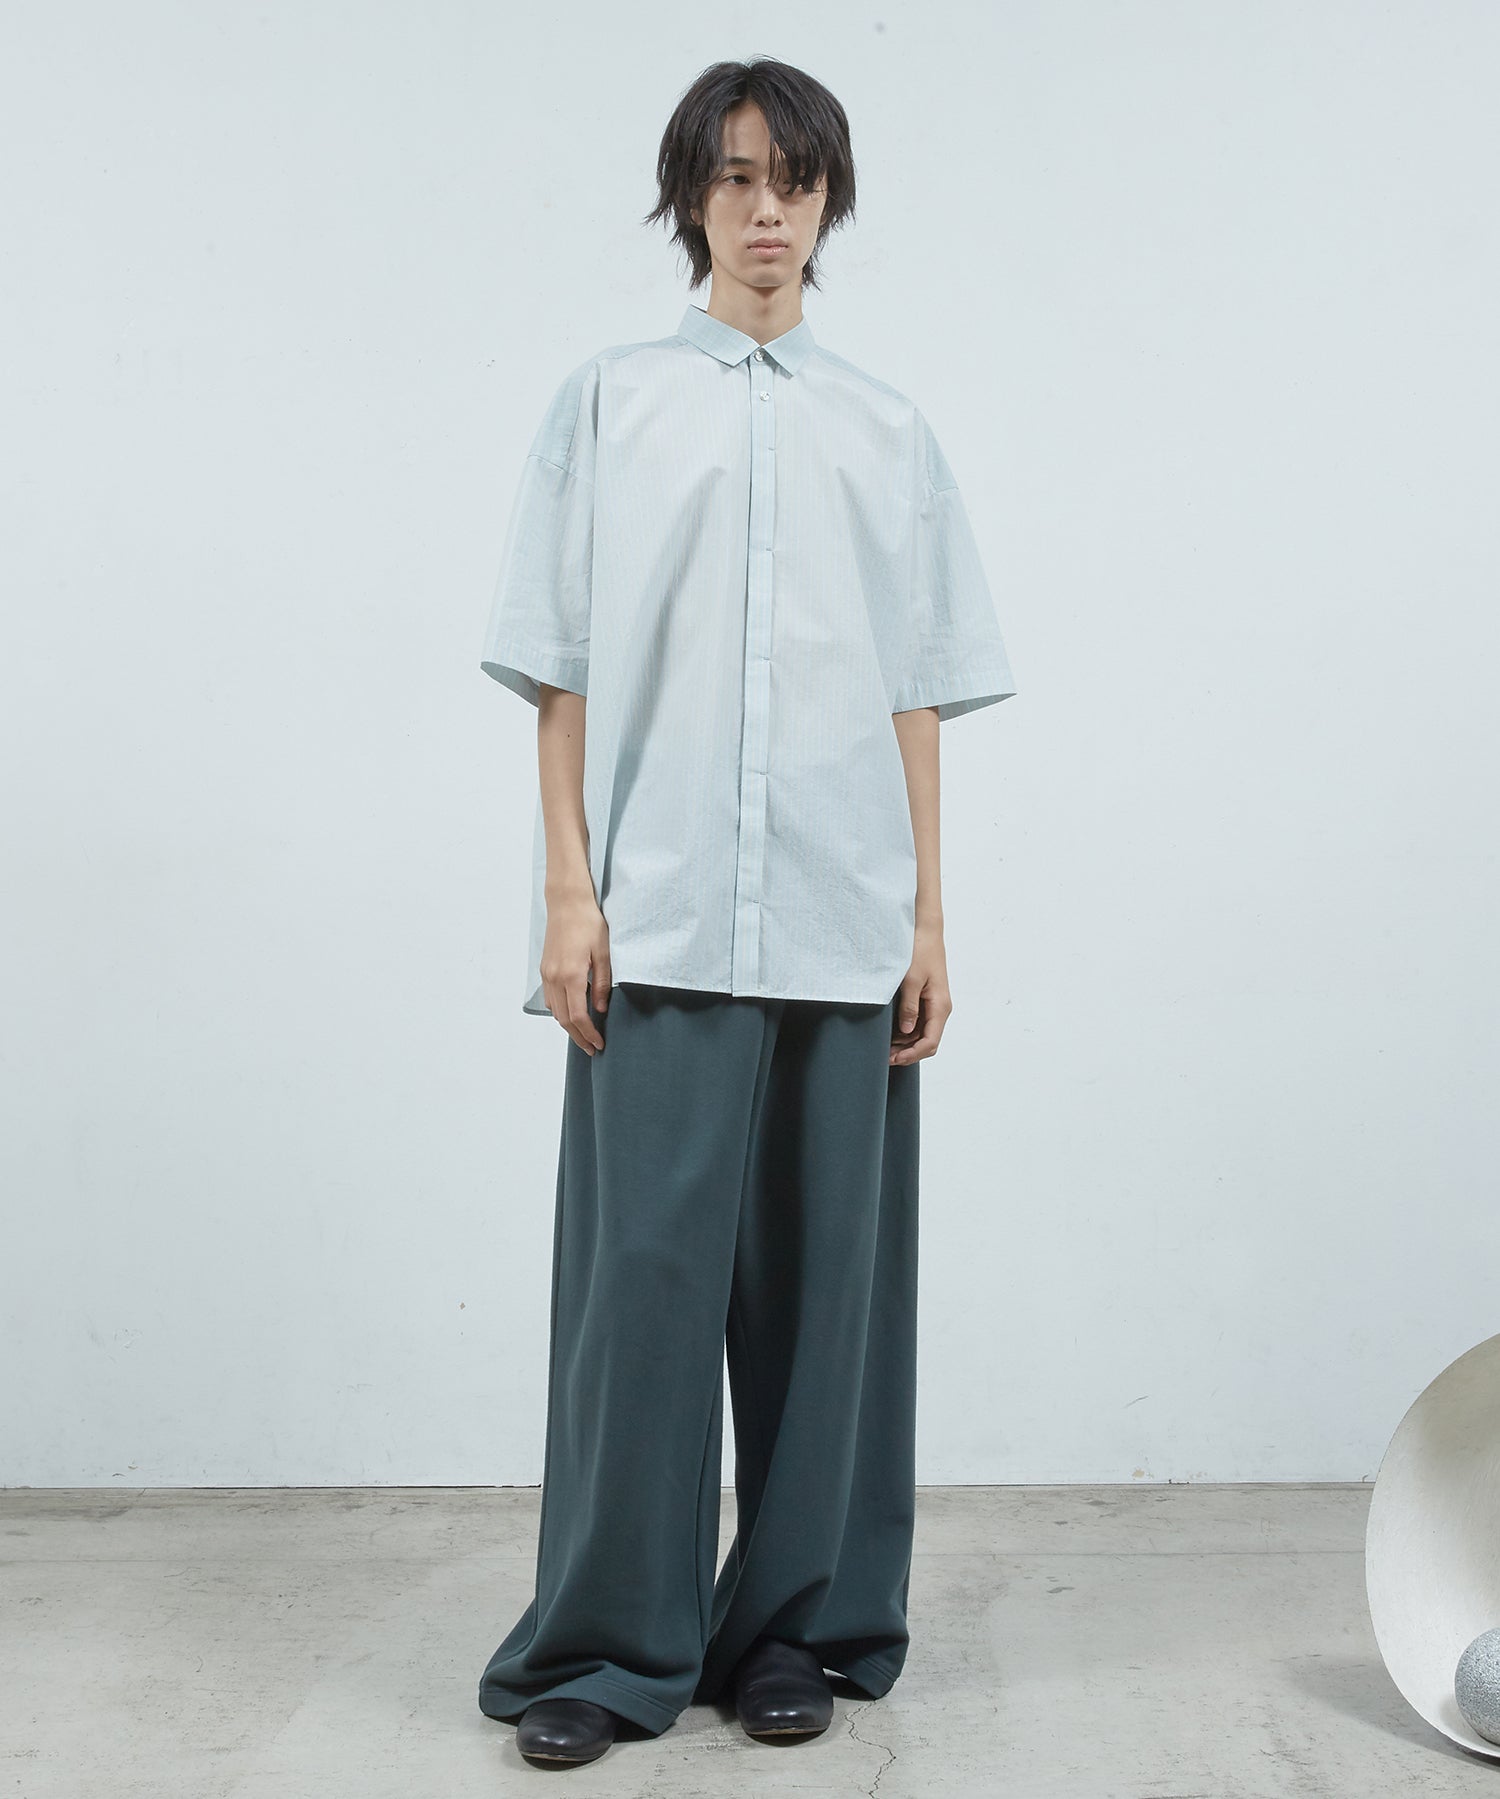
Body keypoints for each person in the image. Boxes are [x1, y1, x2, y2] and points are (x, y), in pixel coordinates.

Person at [474, 56, 1017, 1769]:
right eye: (734, 177)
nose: (765, 209)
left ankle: (794, 1629)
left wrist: (930, 919)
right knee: (639, 1295)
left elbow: (916, 691)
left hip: (846, 917)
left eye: (794, 180)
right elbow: (558, 670)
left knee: (826, 1302)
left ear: (829, 201)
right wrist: (569, 891)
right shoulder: (609, 405)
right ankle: (607, 1647)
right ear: (689, 199)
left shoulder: (888, 430)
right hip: (661, 918)